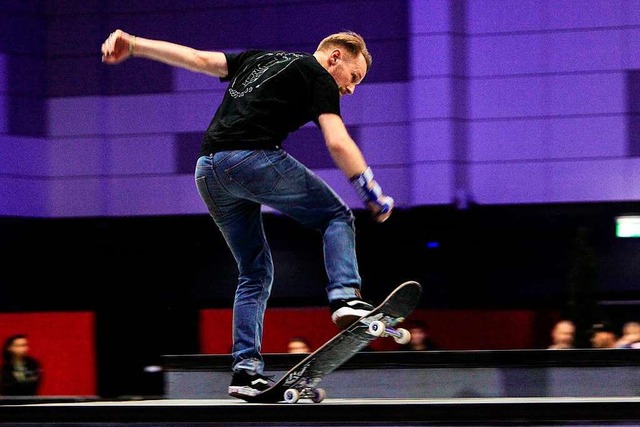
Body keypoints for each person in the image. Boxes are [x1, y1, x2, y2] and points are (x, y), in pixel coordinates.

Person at [101, 29, 394, 399]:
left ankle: (245, 372)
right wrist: (371, 192)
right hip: (250, 158)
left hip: (208, 169)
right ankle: (345, 297)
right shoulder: (318, 74)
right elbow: (337, 140)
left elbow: (197, 58)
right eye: (353, 78)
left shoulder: (260, 57)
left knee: (254, 271)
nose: (351, 89)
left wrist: (136, 45)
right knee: (336, 216)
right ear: (335, 57)